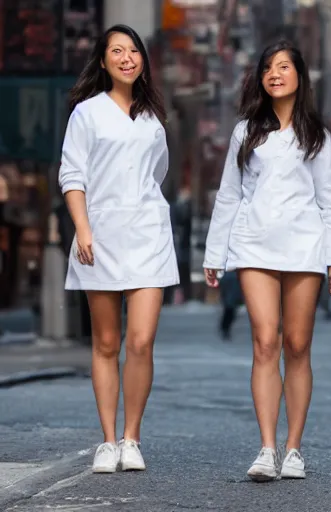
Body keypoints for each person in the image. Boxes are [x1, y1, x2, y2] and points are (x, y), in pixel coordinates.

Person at [203, 40, 331, 482]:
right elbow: (229, 194)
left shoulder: (317, 136)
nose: (275, 74)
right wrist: (215, 253)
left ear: (299, 76)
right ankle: (267, 448)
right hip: (254, 246)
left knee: (297, 345)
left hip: (305, 248)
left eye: (284, 67)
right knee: (265, 341)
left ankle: (294, 448)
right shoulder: (246, 131)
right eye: (268, 67)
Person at [58, 24, 178, 473]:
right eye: (117, 51)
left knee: (142, 341)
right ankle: (108, 441)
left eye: (134, 51)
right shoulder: (86, 113)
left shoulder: (152, 117)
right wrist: (83, 228)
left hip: (149, 236)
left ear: (142, 59)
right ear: (104, 61)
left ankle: (132, 437)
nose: (127, 58)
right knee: (107, 341)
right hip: (100, 237)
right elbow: (72, 175)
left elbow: (157, 173)